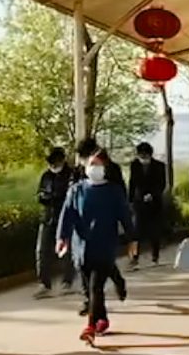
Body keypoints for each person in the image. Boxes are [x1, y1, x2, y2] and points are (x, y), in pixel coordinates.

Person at [57, 149, 138, 344]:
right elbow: (67, 214)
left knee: (95, 287)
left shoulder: (113, 191)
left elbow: (125, 216)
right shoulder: (76, 190)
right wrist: (62, 237)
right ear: (85, 167)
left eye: (98, 164)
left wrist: (132, 239)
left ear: (105, 168)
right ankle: (102, 318)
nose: (94, 168)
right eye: (91, 164)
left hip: (104, 245)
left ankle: (91, 326)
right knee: (89, 288)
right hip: (82, 247)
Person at [73, 137, 128, 312]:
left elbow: (121, 196)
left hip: (104, 223)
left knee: (104, 261)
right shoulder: (79, 170)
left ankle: (117, 282)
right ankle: (89, 300)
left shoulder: (111, 169)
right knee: (83, 262)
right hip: (84, 225)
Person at [34, 147, 75, 298]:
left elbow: (70, 196)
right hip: (47, 217)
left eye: (55, 162)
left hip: (66, 217)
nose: (53, 166)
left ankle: (67, 282)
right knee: (42, 250)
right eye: (50, 163)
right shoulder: (46, 176)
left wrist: (55, 197)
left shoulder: (72, 175)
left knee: (67, 251)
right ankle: (44, 283)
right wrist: (44, 197)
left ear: (62, 160)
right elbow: (40, 193)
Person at [128, 142, 167, 269]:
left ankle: (155, 256)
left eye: (145, 155)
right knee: (135, 232)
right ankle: (134, 257)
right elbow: (132, 183)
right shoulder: (134, 165)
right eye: (140, 155)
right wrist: (130, 200)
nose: (143, 158)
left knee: (154, 231)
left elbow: (162, 184)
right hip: (139, 203)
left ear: (150, 154)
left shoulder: (159, 166)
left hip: (154, 204)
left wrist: (152, 195)